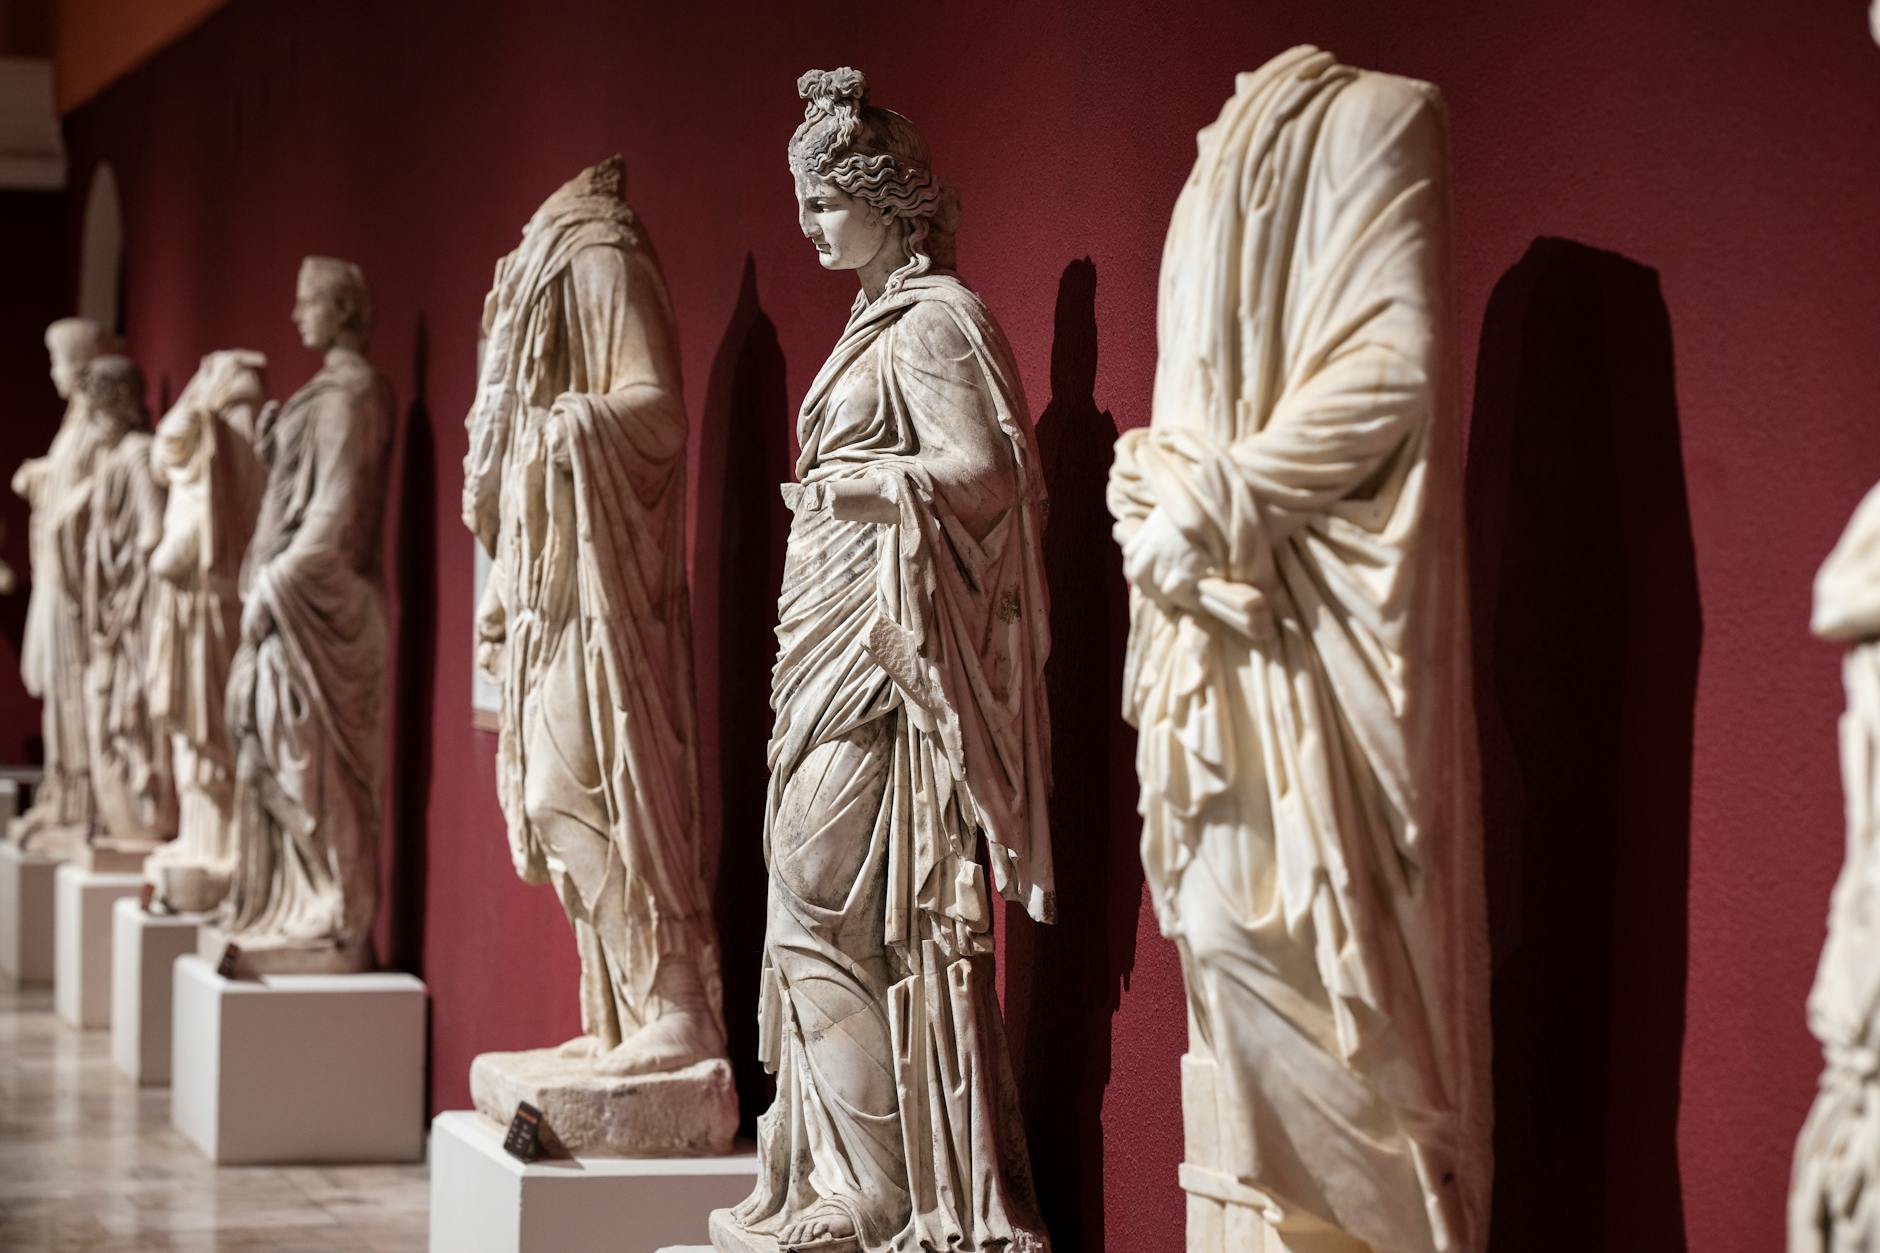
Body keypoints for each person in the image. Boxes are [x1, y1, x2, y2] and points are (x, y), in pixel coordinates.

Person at [717, 67, 1054, 1253]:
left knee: (822, 900)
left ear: (882, 197)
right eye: (803, 202)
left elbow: (989, 474)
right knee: (800, 903)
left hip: (878, 651)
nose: (807, 224)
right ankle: (846, 1176)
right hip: (818, 636)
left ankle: (880, 1190)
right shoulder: (872, 326)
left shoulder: (934, 323)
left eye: (822, 201)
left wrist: (869, 484)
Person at [463, 156, 725, 1075]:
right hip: (553, 591)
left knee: (587, 792)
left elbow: (656, 411)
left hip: (601, 601)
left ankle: (679, 1009)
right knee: (554, 797)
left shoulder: (596, 255)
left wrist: (565, 427)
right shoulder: (547, 262)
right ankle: (621, 1013)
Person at [218, 257, 392, 973]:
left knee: (308, 766)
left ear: (343, 309)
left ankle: (334, 907)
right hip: (292, 613)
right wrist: (275, 451)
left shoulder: (350, 397)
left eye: (307, 302)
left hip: (319, 614)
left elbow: (336, 518)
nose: (296, 316)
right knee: (265, 756)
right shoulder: (324, 396)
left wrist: (270, 588)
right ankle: (300, 900)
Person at [10, 318, 118, 853]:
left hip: (75, 587)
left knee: (72, 688)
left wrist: (53, 493)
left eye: (58, 362)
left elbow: (94, 492)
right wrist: (43, 476)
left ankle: (79, 806)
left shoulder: (96, 428)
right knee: (59, 690)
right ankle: (60, 794)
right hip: (58, 575)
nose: (54, 373)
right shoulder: (76, 425)